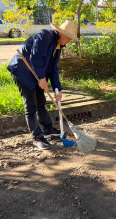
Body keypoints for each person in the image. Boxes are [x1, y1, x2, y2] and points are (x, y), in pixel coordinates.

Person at [7, 20, 79, 149]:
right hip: (23, 71)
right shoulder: (45, 35)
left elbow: (53, 69)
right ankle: (37, 138)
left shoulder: (58, 46)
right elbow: (36, 57)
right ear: (61, 33)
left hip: (36, 72)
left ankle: (48, 130)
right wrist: (42, 78)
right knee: (31, 105)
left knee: (41, 102)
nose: (69, 41)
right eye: (69, 38)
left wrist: (58, 89)